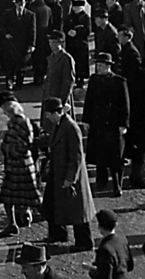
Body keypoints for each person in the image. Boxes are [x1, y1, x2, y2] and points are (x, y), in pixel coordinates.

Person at [39, 96, 95, 251]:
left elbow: (77, 156)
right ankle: (58, 233)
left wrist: (70, 178)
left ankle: (85, 243)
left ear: (56, 113)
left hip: (70, 175)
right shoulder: (59, 124)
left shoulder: (70, 127)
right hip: (58, 173)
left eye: (48, 114)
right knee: (51, 204)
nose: (47, 117)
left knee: (78, 211)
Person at [0, 91, 42, 236]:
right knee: (11, 196)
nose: (4, 113)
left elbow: (25, 144)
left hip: (20, 164)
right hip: (18, 164)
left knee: (27, 196)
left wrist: (9, 149)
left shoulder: (20, 122)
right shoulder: (18, 121)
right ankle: (13, 223)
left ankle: (15, 222)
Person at [82, 51, 129, 196]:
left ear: (109, 66)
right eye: (97, 65)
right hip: (98, 123)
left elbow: (125, 105)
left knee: (116, 158)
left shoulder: (119, 82)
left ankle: (117, 185)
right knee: (100, 154)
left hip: (113, 124)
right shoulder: (94, 80)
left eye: (102, 65)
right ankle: (101, 181)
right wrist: (86, 120)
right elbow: (88, 101)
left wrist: (124, 124)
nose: (99, 68)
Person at [90, 208, 134, 278]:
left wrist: (93, 273)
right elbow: (130, 266)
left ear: (100, 227)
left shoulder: (105, 249)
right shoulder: (122, 238)